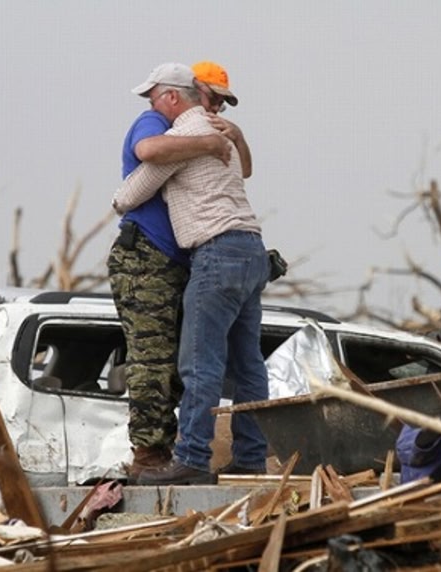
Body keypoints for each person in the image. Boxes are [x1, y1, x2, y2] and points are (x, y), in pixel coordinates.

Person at [113, 69, 270, 486]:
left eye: (154, 100)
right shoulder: (224, 135)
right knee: (249, 365)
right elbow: (245, 171)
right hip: (252, 249)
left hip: (216, 252)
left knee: (200, 363)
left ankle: (192, 459)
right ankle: (251, 458)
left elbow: (127, 196)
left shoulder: (182, 138)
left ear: (174, 98)